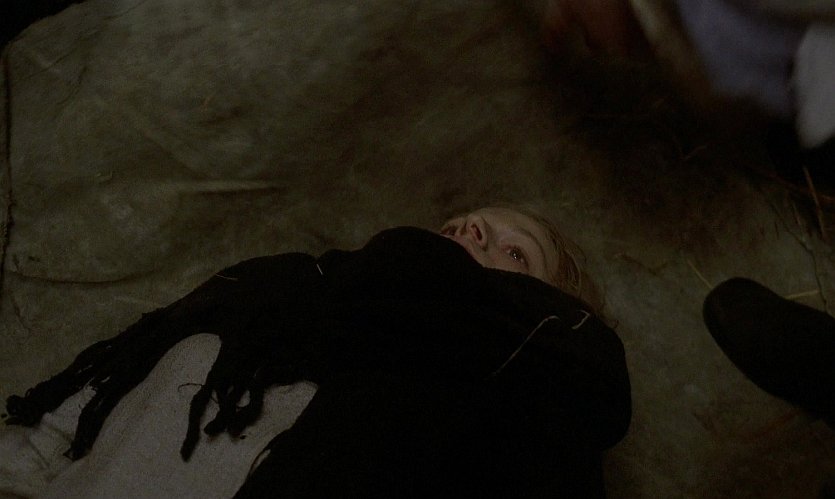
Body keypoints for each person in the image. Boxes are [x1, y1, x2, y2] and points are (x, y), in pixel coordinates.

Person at [1, 206, 631, 498]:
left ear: (549, 316)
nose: (474, 229)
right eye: (463, 223)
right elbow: (51, 440)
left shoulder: (517, 424)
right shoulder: (274, 292)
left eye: (515, 251)